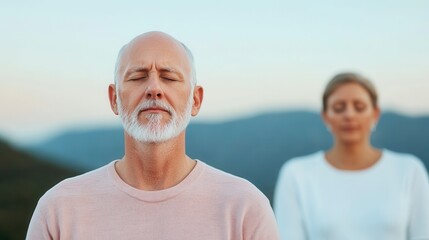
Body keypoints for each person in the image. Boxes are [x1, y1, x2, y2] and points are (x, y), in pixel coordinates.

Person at [26, 31, 279, 240]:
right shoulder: (59, 209)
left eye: (169, 77)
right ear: (114, 99)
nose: (154, 89)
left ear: (196, 100)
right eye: (138, 77)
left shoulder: (245, 208)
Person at [274, 72, 429, 240]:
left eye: (359, 107)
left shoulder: (409, 171)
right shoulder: (296, 174)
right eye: (339, 107)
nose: (349, 115)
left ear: (375, 114)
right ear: (325, 116)